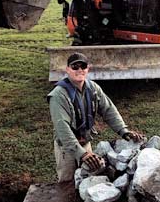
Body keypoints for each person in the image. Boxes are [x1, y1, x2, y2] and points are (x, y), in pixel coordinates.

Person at [48, 52, 144, 182]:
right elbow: (62, 127)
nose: (79, 70)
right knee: (68, 184)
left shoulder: (92, 88)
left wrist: (124, 131)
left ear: (88, 69)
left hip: (85, 142)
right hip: (67, 147)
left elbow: (108, 110)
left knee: (88, 180)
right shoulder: (58, 95)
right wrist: (81, 154)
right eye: (75, 67)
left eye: (83, 66)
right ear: (67, 70)